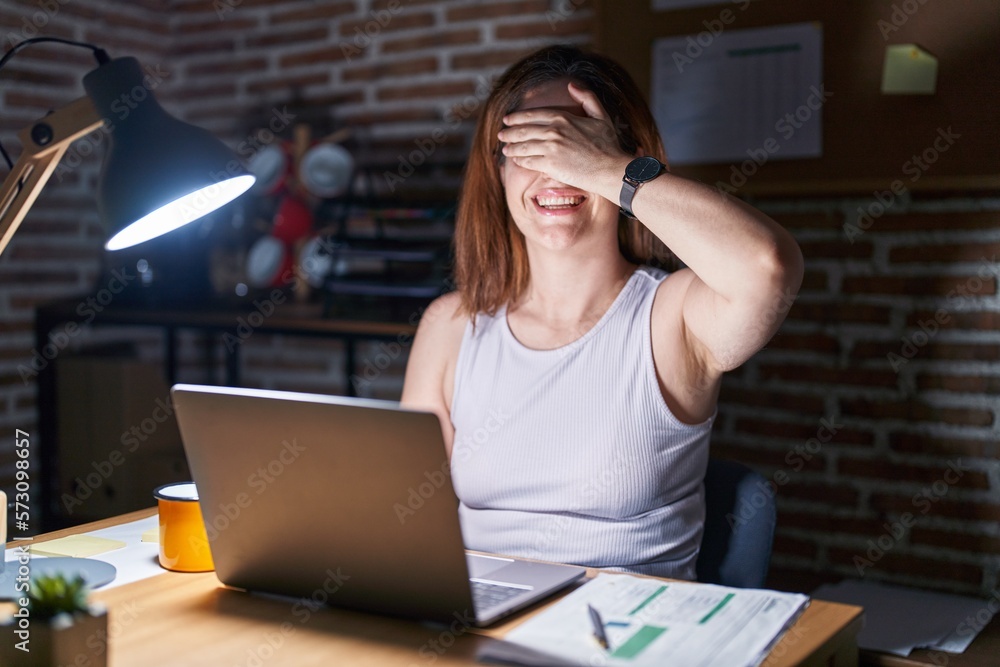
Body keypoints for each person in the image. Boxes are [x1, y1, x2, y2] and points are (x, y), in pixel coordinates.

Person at [400, 44, 803, 580]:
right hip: (472, 625)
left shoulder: (673, 314)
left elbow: (767, 266)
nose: (554, 170)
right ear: (497, 172)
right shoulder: (450, 325)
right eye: (530, 147)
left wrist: (606, 169)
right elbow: (402, 511)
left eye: (574, 143)